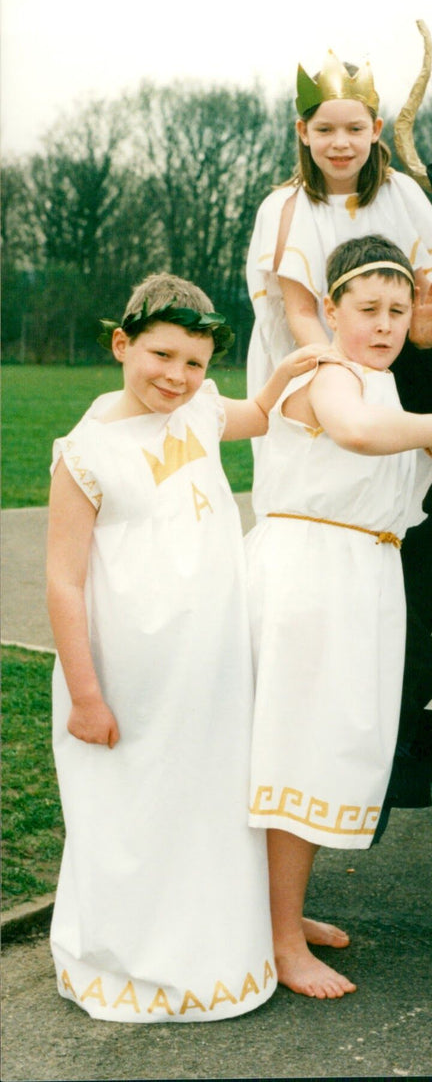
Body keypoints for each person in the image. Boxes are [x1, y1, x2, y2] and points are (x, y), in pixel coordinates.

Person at [46, 272, 329, 1023]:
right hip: (124, 674)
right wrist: (85, 695)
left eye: (194, 363)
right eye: (161, 355)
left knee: (204, 804)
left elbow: (260, 417)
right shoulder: (84, 451)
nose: (175, 376)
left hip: (207, 664)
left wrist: (290, 374)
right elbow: (64, 583)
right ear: (121, 344)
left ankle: (216, 949)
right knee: (132, 811)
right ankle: (131, 960)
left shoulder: (201, 408)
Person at [245, 235, 432, 1000]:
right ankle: (279, 940)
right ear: (331, 310)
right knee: (293, 748)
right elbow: (357, 436)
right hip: (310, 574)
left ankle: (282, 911)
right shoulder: (330, 374)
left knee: (318, 742)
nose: (383, 325)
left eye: (397, 311)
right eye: (366, 308)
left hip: (359, 572)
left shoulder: (380, 381)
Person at [245, 47, 432, 520]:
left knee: (395, 496)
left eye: (354, 129)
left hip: (396, 358)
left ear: (376, 130)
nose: (339, 143)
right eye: (324, 130)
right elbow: (300, 311)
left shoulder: (400, 194)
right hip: (318, 366)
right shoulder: (285, 209)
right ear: (303, 133)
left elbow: (427, 295)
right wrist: (343, 374)